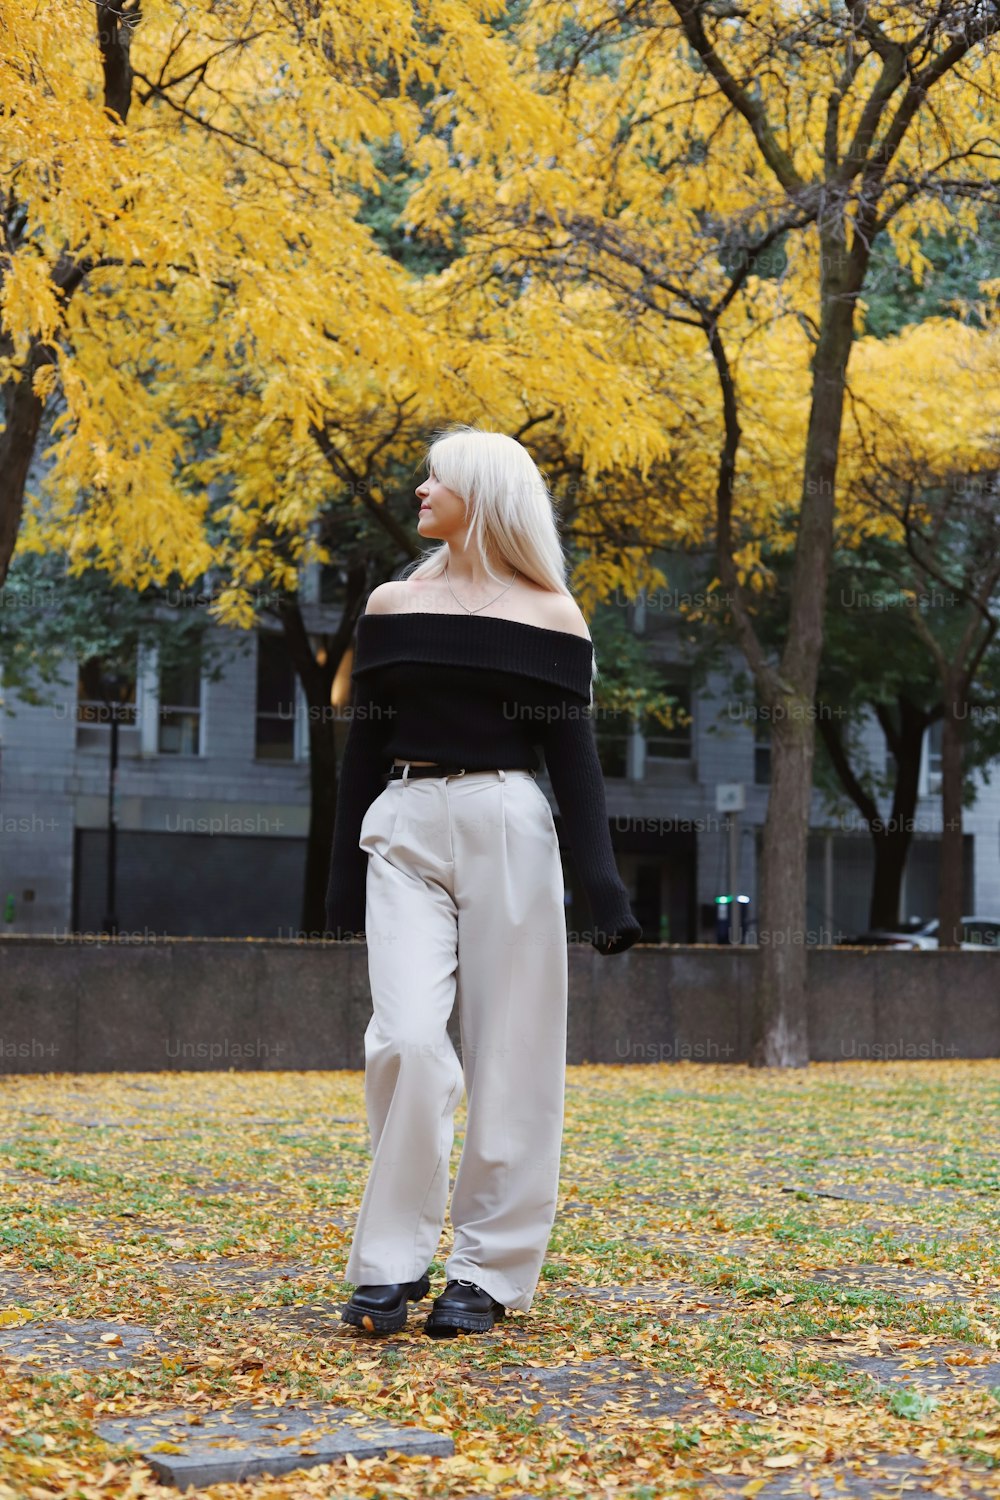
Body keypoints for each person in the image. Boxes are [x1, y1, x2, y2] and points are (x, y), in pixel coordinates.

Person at [325, 424, 641, 1338]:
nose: (419, 490)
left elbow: (574, 765)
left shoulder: (551, 615)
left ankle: (491, 1272)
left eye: (436, 480)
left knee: (514, 1050)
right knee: (410, 1041)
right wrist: (339, 886)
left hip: (509, 820)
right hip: (404, 820)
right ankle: (390, 1263)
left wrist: (605, 892)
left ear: (482, 494)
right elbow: (362, 748)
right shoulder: (389, 604)